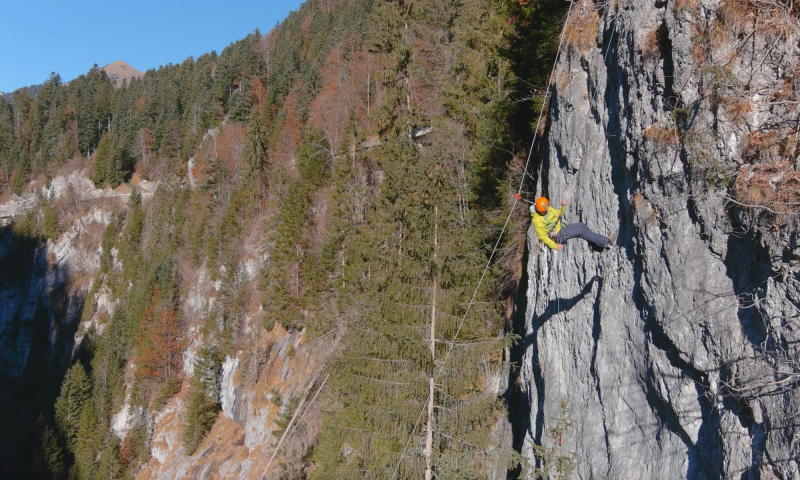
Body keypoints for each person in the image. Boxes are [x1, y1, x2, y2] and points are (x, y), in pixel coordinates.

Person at [530, 196, 616, 251]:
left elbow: (559, 215)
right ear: (539, 210)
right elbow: (543, 237)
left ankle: (597, 247)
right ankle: (607, 242)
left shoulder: (547, 208)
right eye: (543, 212)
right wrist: (555, 246)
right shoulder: (537, 220)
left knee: (582, 227)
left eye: (546, 210)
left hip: (561, 227)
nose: (545, 212)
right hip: (556, 235)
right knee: (581, 230)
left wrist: (563, 206)